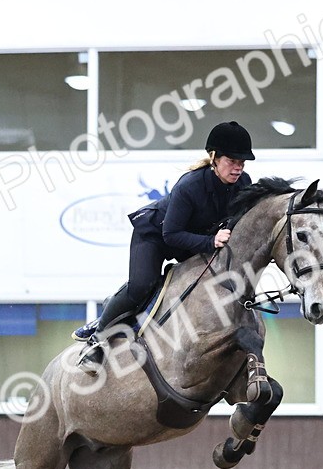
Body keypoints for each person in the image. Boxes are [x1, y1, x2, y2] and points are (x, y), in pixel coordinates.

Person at [74, 120, 255, 363]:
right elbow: (171, 234)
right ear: (214, 158)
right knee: (142, 285)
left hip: (191, 240)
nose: (238, 168)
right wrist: (211, 241)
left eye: (242, 162)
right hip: (156, 236)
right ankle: (97, 339)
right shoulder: (189, 186)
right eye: (232, 161)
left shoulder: (244, 183)